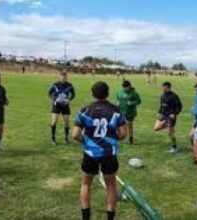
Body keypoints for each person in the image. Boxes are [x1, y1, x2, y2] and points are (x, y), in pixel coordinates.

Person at [73, 81, 126, 220]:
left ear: (92, 93)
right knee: (111, 186)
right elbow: (123, 133)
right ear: (107, 94)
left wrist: (86, 141)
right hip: (109, 153)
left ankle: (86, 218)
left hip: (90, 153)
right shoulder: (116, 110)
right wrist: (113, 140)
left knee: (86, 184)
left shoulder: (85, 110)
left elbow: (75, 134)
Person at [48, 71, 76, 145]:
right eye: (62, 78)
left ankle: (66, 138)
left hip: (65, 105)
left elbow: (73, 94)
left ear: (67, 78)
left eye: (65, 78)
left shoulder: (69, 85)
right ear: (59, 77)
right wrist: (55, 99)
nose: (64, 79)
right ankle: (53, 138)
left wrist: (69, 100)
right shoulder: (55, 85)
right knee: (54, 122)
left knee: (67, 123)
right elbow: (49, 94)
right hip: (56, 105)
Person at [154, 81, 182, 153]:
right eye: (162, 88)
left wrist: (174, 113)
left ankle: (174, 146)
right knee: (156, 128)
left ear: (169, 88)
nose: (163, 89)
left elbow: (179, 107)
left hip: (170, 116)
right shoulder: (162, 95)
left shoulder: (174, 96)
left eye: (165, 88)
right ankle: (166, 124)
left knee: (170, 133)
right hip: (163, 115)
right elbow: (161, 105)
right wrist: (159, 112)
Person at [116, 80, 141, 145]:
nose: (125, 89)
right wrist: (118, 103)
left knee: (129, 126)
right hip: (121, 111)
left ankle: (131, 140)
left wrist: (132, 103)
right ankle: (118, 138)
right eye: (123, 87)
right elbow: (118, 99)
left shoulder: (134, 93)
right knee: (118, 125)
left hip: (130, 112)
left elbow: (139, 101)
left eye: (126, 87)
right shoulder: (119, 92)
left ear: (129, 86)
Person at [189, 83, 197, 163]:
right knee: (192, 136)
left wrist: (194, 110)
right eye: (196, 90)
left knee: (193, 136)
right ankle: (196, 154)